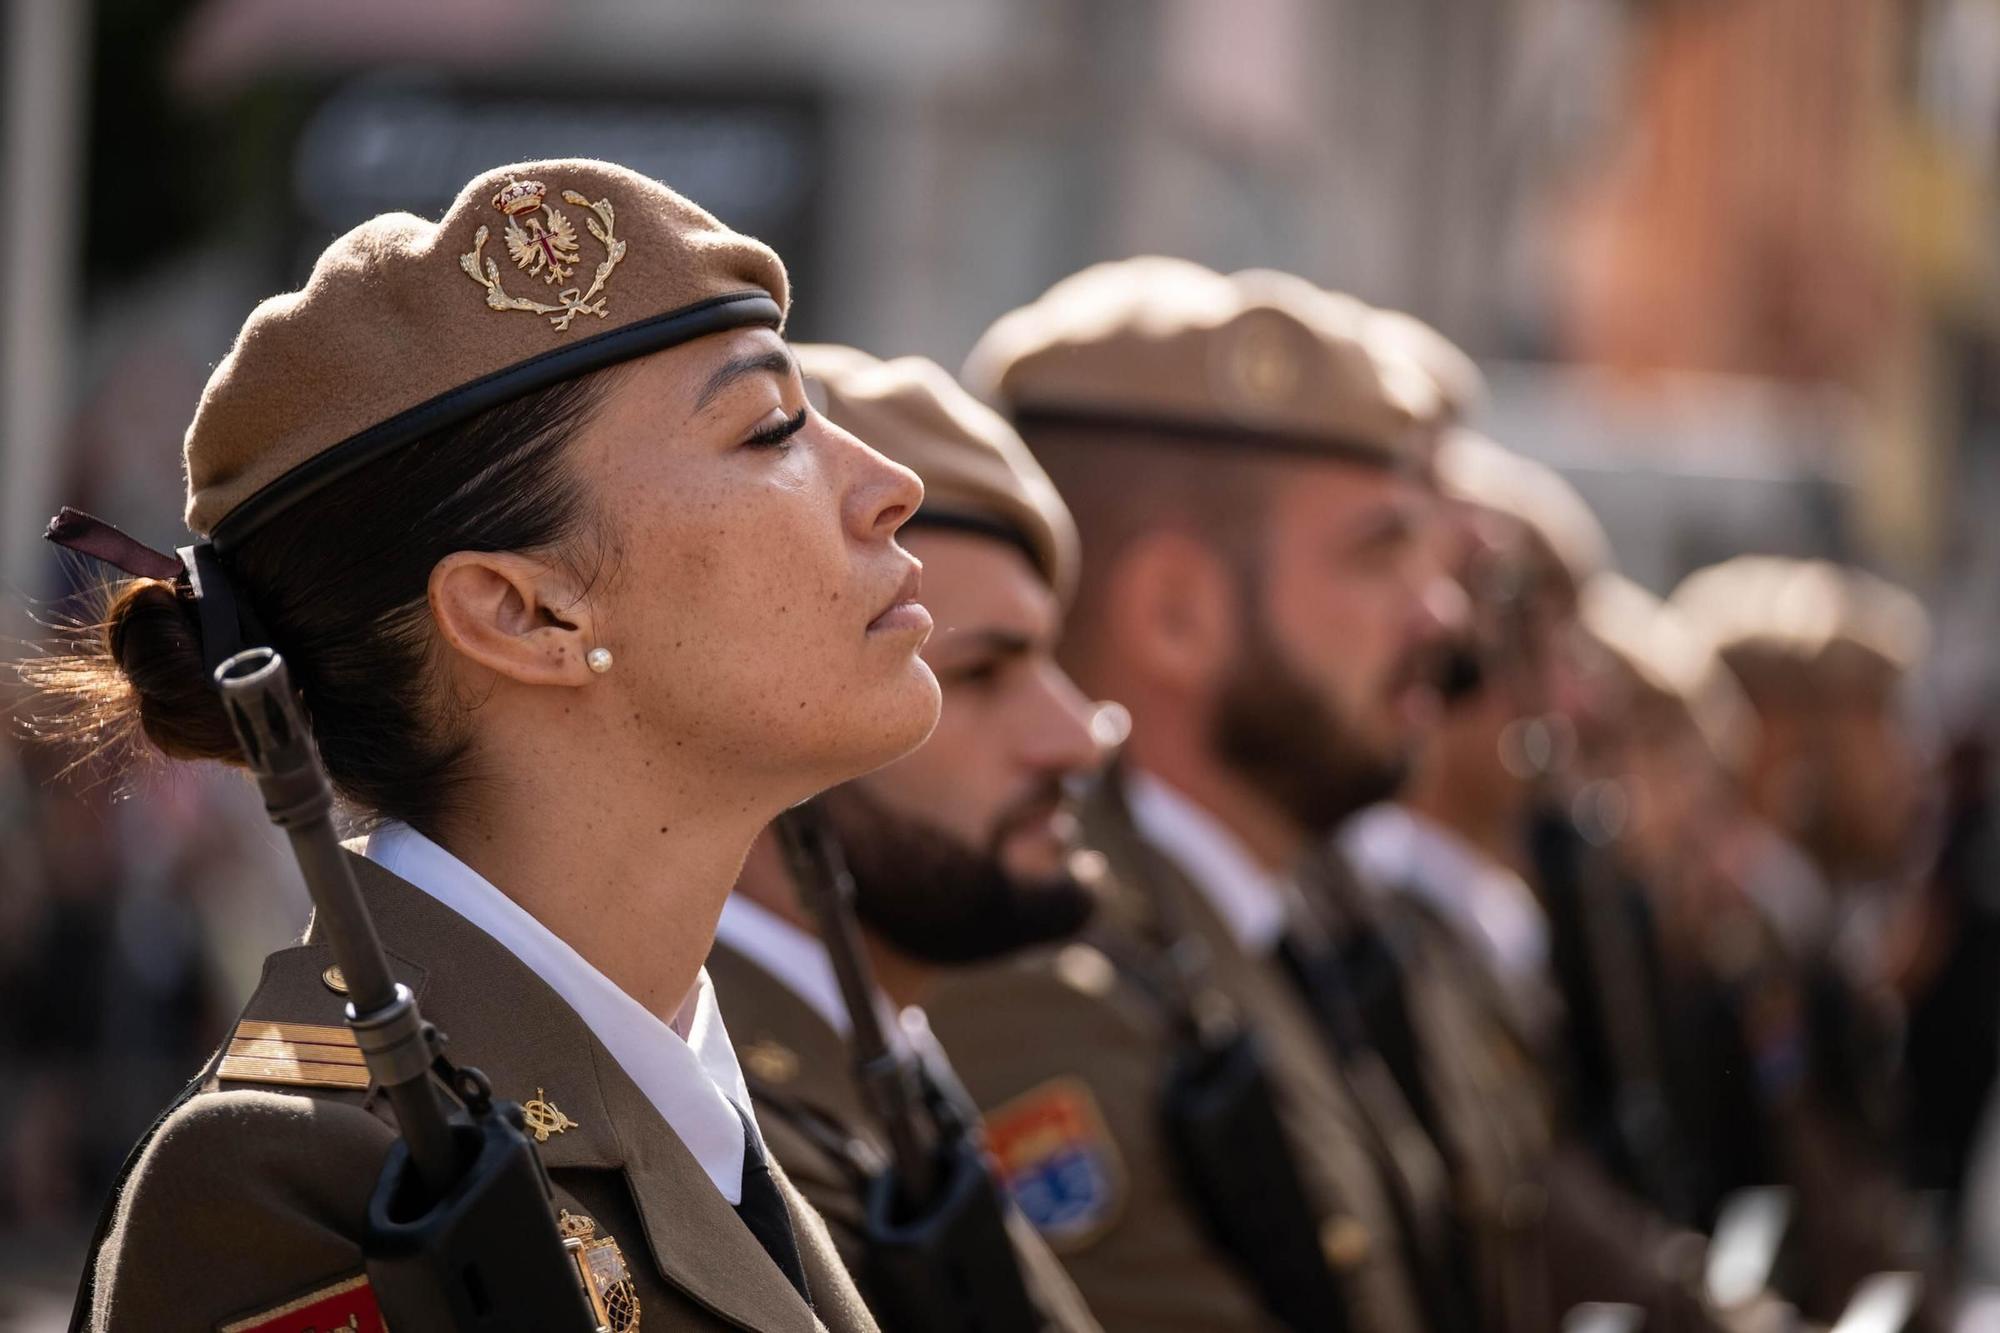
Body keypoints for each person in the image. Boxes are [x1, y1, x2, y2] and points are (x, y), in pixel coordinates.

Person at [23, 158, 942, 1332]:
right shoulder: (312, 1173)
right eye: (770, 431)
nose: (890, 485)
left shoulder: (684, 1096)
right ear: (527, 612)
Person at [925, 258, 1463, 1333]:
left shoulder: (1259, 918)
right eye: (1374, 556)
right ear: (1173, 612)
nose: (1438, 614)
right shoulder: (1049, 973)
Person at [708, 344, 1105, 1332]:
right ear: (776, 721)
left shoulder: (874, 1066)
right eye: (976, 675)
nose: (1075, 736)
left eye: (1049, 662)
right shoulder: (729, 1133)